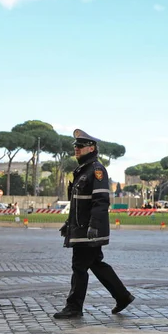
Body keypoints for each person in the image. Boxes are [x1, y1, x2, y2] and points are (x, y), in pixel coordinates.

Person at [54, 129, 134, 319]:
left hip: (89, 230)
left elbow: (100, 201)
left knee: (79, 267)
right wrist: (68, 223)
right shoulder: (83, 171)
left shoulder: (96, 171)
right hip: (82, 228)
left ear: (91, 148)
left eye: (80, 146)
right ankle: (122, 296)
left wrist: (94, 227)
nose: (77, 149)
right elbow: (78, 204)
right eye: (76, 146)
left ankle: (74, 307)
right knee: (96, 264)